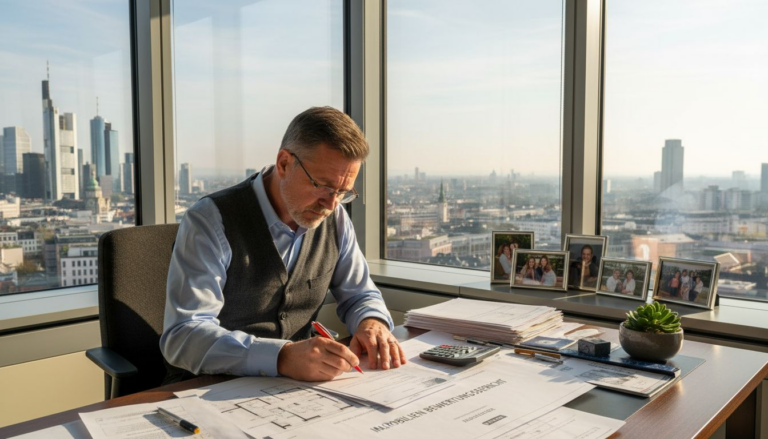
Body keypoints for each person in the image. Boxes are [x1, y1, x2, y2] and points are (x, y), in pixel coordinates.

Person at [161, 107, 405, 383]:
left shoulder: (334, 219)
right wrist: (282, 356)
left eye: (343, 192)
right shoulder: (210, 221)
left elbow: (360, 295)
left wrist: (371, 322)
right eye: (322, 186)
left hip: (293, 391)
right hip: (210, 387)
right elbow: (184, 334)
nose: (332, 204)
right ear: (284, 163)